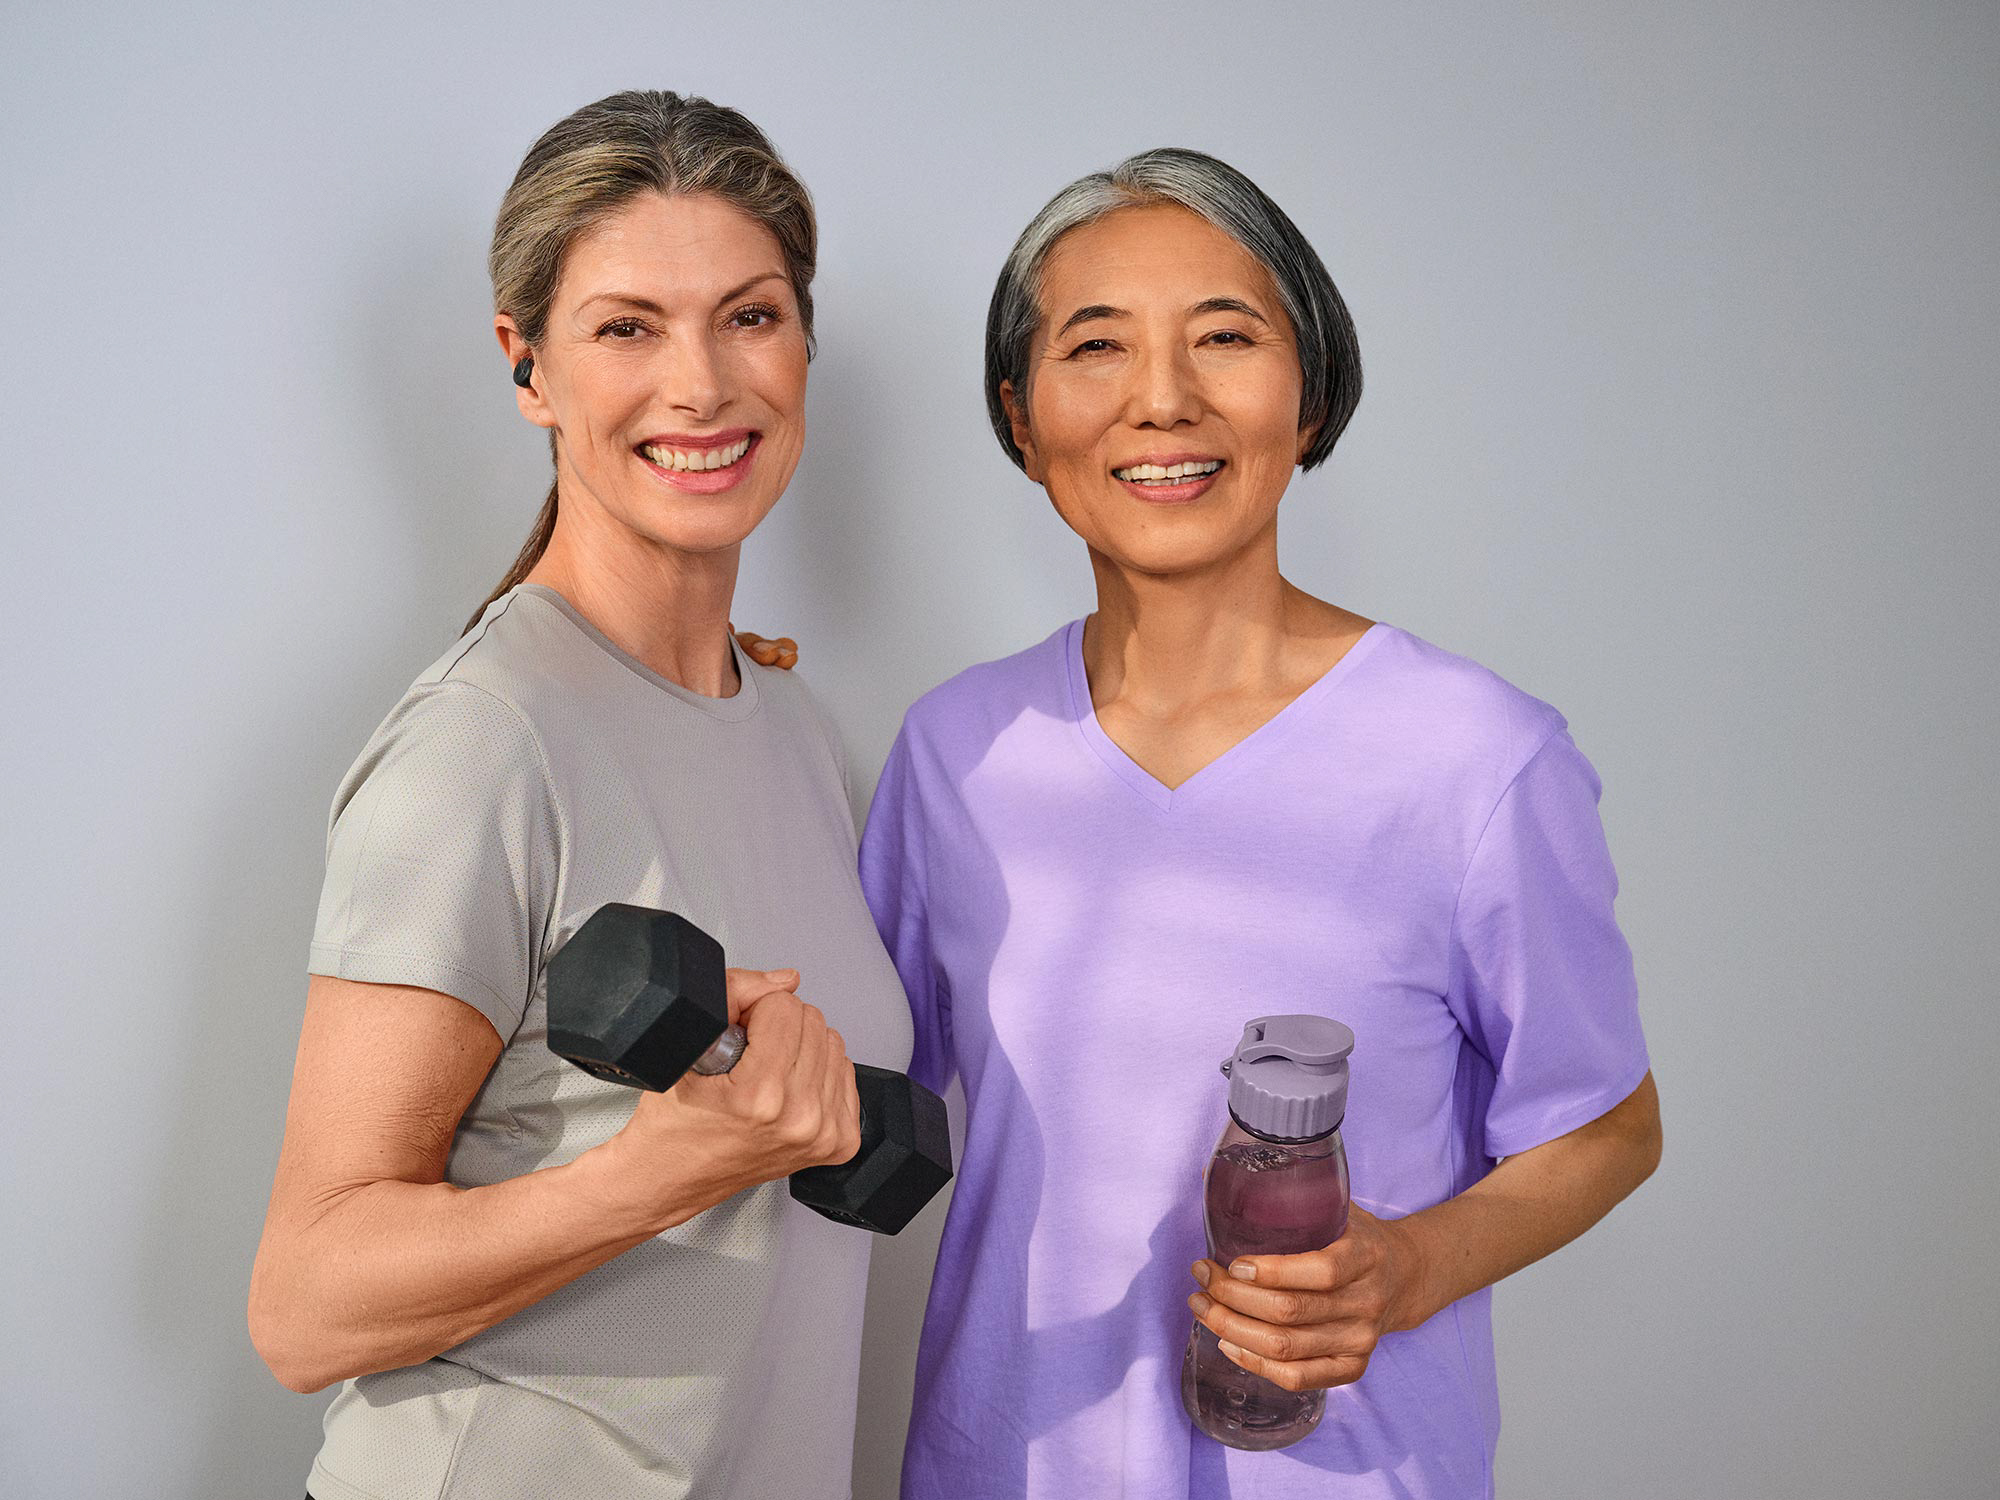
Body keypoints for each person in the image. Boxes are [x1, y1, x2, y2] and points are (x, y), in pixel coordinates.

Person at [859, 148, 1663, 1499]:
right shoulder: (958, 753)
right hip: (1007, 1467)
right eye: (1096, 347)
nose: (1162, 401)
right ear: (1020, 413)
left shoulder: (1475, 758)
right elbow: (860, 1104)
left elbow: (1606, 1124)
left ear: (1312, 394)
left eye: (1225, 339)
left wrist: (1410, 1268)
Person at [248, 90, 909, 1500]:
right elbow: (304, 1307)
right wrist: (651, 1176)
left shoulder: (790, 726)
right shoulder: (486, 743)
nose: (703, 386)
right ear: (528, 365)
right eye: (627, 327)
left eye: (751, 316)